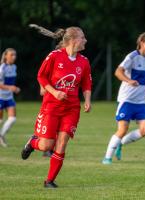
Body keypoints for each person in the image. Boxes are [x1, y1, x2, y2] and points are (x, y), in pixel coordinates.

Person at [21, 26, 92, 188]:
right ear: (73, 40)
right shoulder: (54, 56)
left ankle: (49, 181)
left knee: (62, 143)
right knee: (47, 145)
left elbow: (87, 83)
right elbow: (41, 76)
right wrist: (54, 92)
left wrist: (87, 99)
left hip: (72, 108)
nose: (85, 40)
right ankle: (33, 143)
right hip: (51, 106)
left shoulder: (84, 61)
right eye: (83, 37)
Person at [102, 32, 145, 165]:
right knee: (122, 129)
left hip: (140, 101)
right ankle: (107, 158)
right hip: (126, 100)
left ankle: (121, 144)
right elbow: (118, 72)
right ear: (141, 43)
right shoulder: (132, 57)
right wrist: (129, 80)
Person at [0, 48, 20, 147]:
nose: (14, 57)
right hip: (0, 96)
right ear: (6, 56)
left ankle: (1, 136)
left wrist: (13, 89)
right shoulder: (2, 68)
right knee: (0, 120)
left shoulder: (14, 67)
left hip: (9, 97)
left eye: (15, 55)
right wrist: (11, 87)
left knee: (12, 119)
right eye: (11, 55)